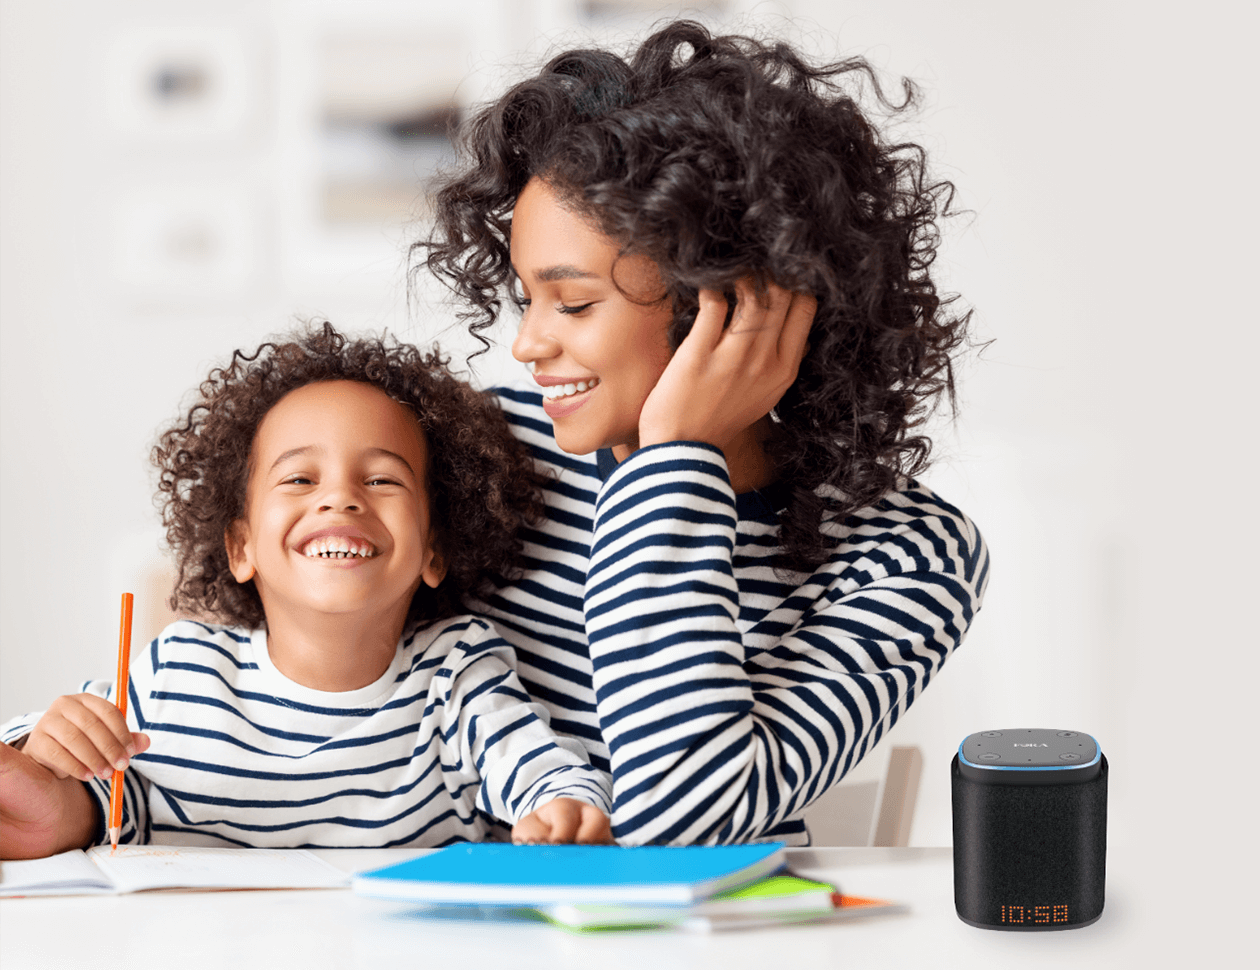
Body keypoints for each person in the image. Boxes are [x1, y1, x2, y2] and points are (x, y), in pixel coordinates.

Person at [416, 20, 988, 846]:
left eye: (572, 304)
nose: (528, 344)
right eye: (526, 297)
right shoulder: (478, 456)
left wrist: (674, 459)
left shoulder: (906, 556)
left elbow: (688, 820)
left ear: (728, 299)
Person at [0, 325, 612, 858]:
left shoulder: (457, 675)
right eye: (298, 477)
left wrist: (564, 810)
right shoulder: (181, 673)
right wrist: (44, 744)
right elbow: (53, 769)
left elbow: (548, 775)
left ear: (434, 551)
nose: (340, 497)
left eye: (380, 478)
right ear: (240, 547)